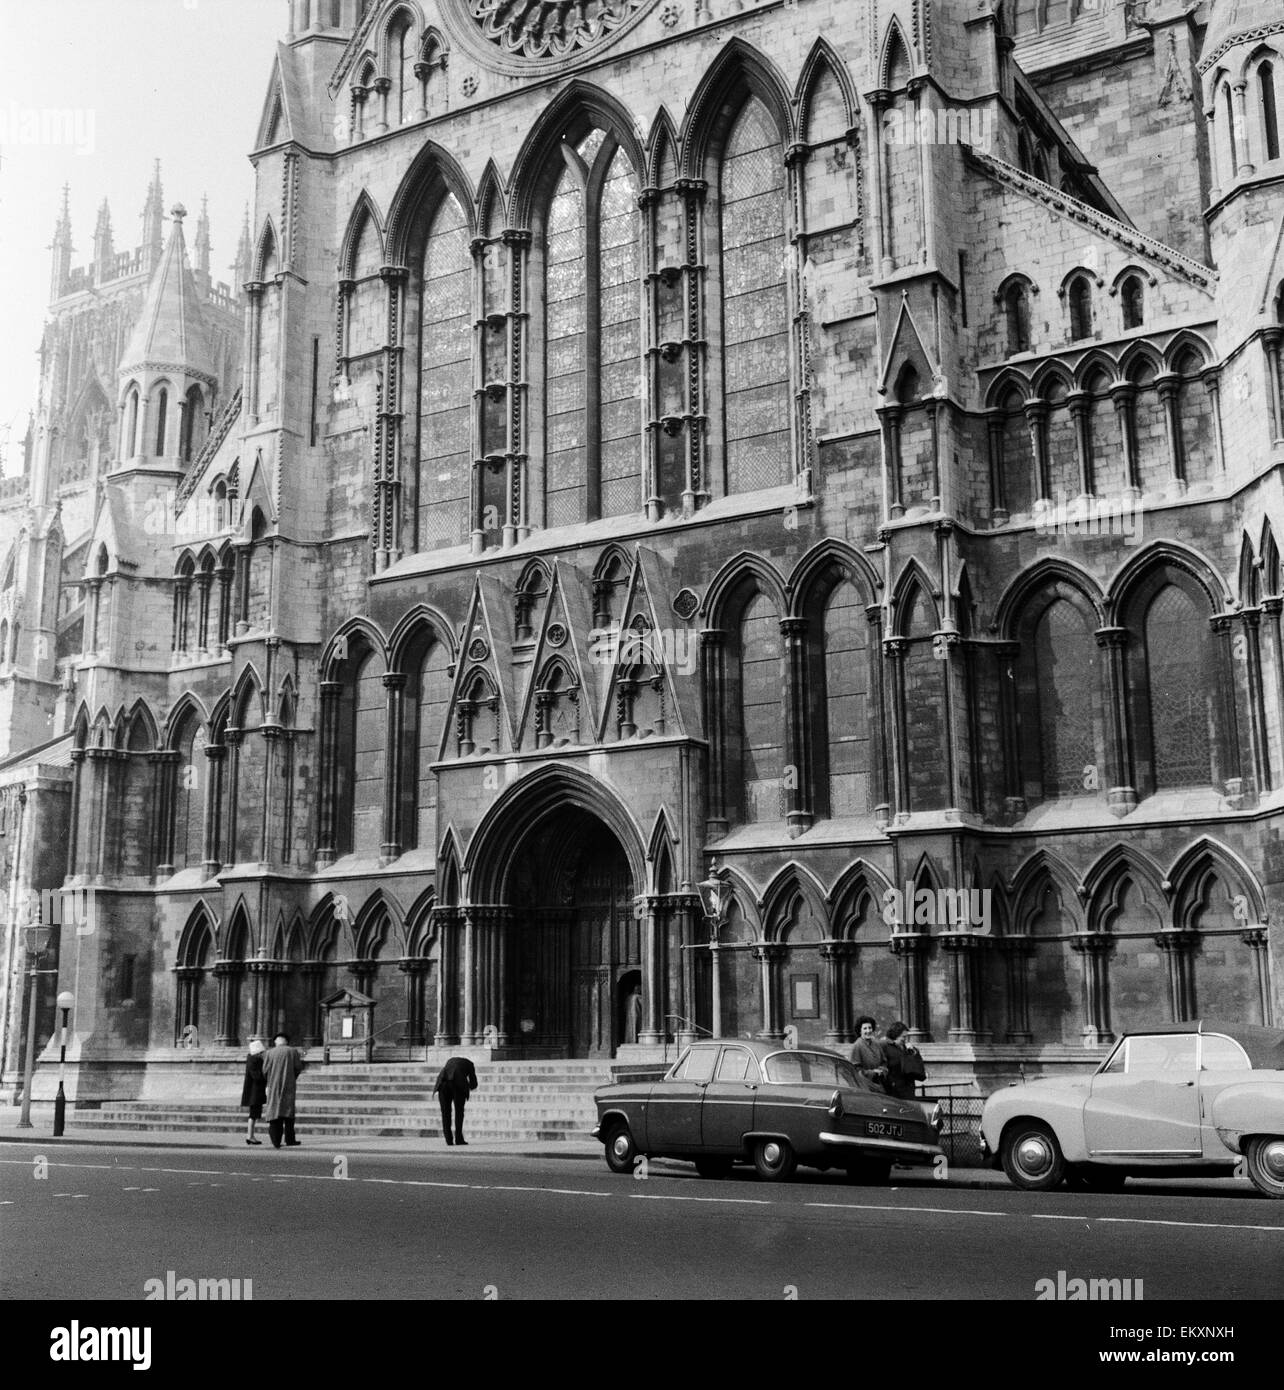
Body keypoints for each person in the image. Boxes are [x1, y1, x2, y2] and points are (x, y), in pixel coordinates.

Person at [262, 1032, 306, 1149]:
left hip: (274, 1085)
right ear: (286, 1041)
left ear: (276, 1041)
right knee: (288, 1113)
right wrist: (291, 1077)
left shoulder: (269, 1053)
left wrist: (270, 1080)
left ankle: (276, 1140)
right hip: (289, 1086)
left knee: (274, 1112)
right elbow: (298, 1068)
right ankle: (290, 1139)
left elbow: (265, 1070)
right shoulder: (293, 1052)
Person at [433, 1055, 478, 1146]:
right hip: (458, 1084)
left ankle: (449, 1140)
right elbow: (474, 1083)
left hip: (442, 1083)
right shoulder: (470, 1064)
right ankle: (459, 1139)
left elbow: (447, 1072)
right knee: (459, 1112)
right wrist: (468, 1087)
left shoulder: (450, 1060)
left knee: (445, 1113)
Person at [880, 1020, 926, 1100]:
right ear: (896, 1035)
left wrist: (913, 1053)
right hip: (894, 1089)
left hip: (908, 1088)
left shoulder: (906, 1048)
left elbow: (916, 1065)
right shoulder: (885, 1046)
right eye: (903, 1037)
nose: (905, 1039)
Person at [851, 1015, 889, 1090]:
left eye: (870, 1028)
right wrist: (872, 1072)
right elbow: (855, 1070)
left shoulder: (876, 1044)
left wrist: (882, 1070)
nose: (868, 1031)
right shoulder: (857, 1046)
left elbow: (884, 1062)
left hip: (879, 1084)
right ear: (860, 1030)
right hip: (865, 1086)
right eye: (865, 1028)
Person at [241, 1038, 267, 1145]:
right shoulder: (254, 1061)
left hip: (254, 1092)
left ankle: (250, 1135)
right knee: (253, 1114)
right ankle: (250, 1136)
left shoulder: (253, 1060)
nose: (262, 1054)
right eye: (261, 1052)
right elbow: (257, 1076)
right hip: (254, 1093)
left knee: (254, 1114)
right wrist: (265, 1074)